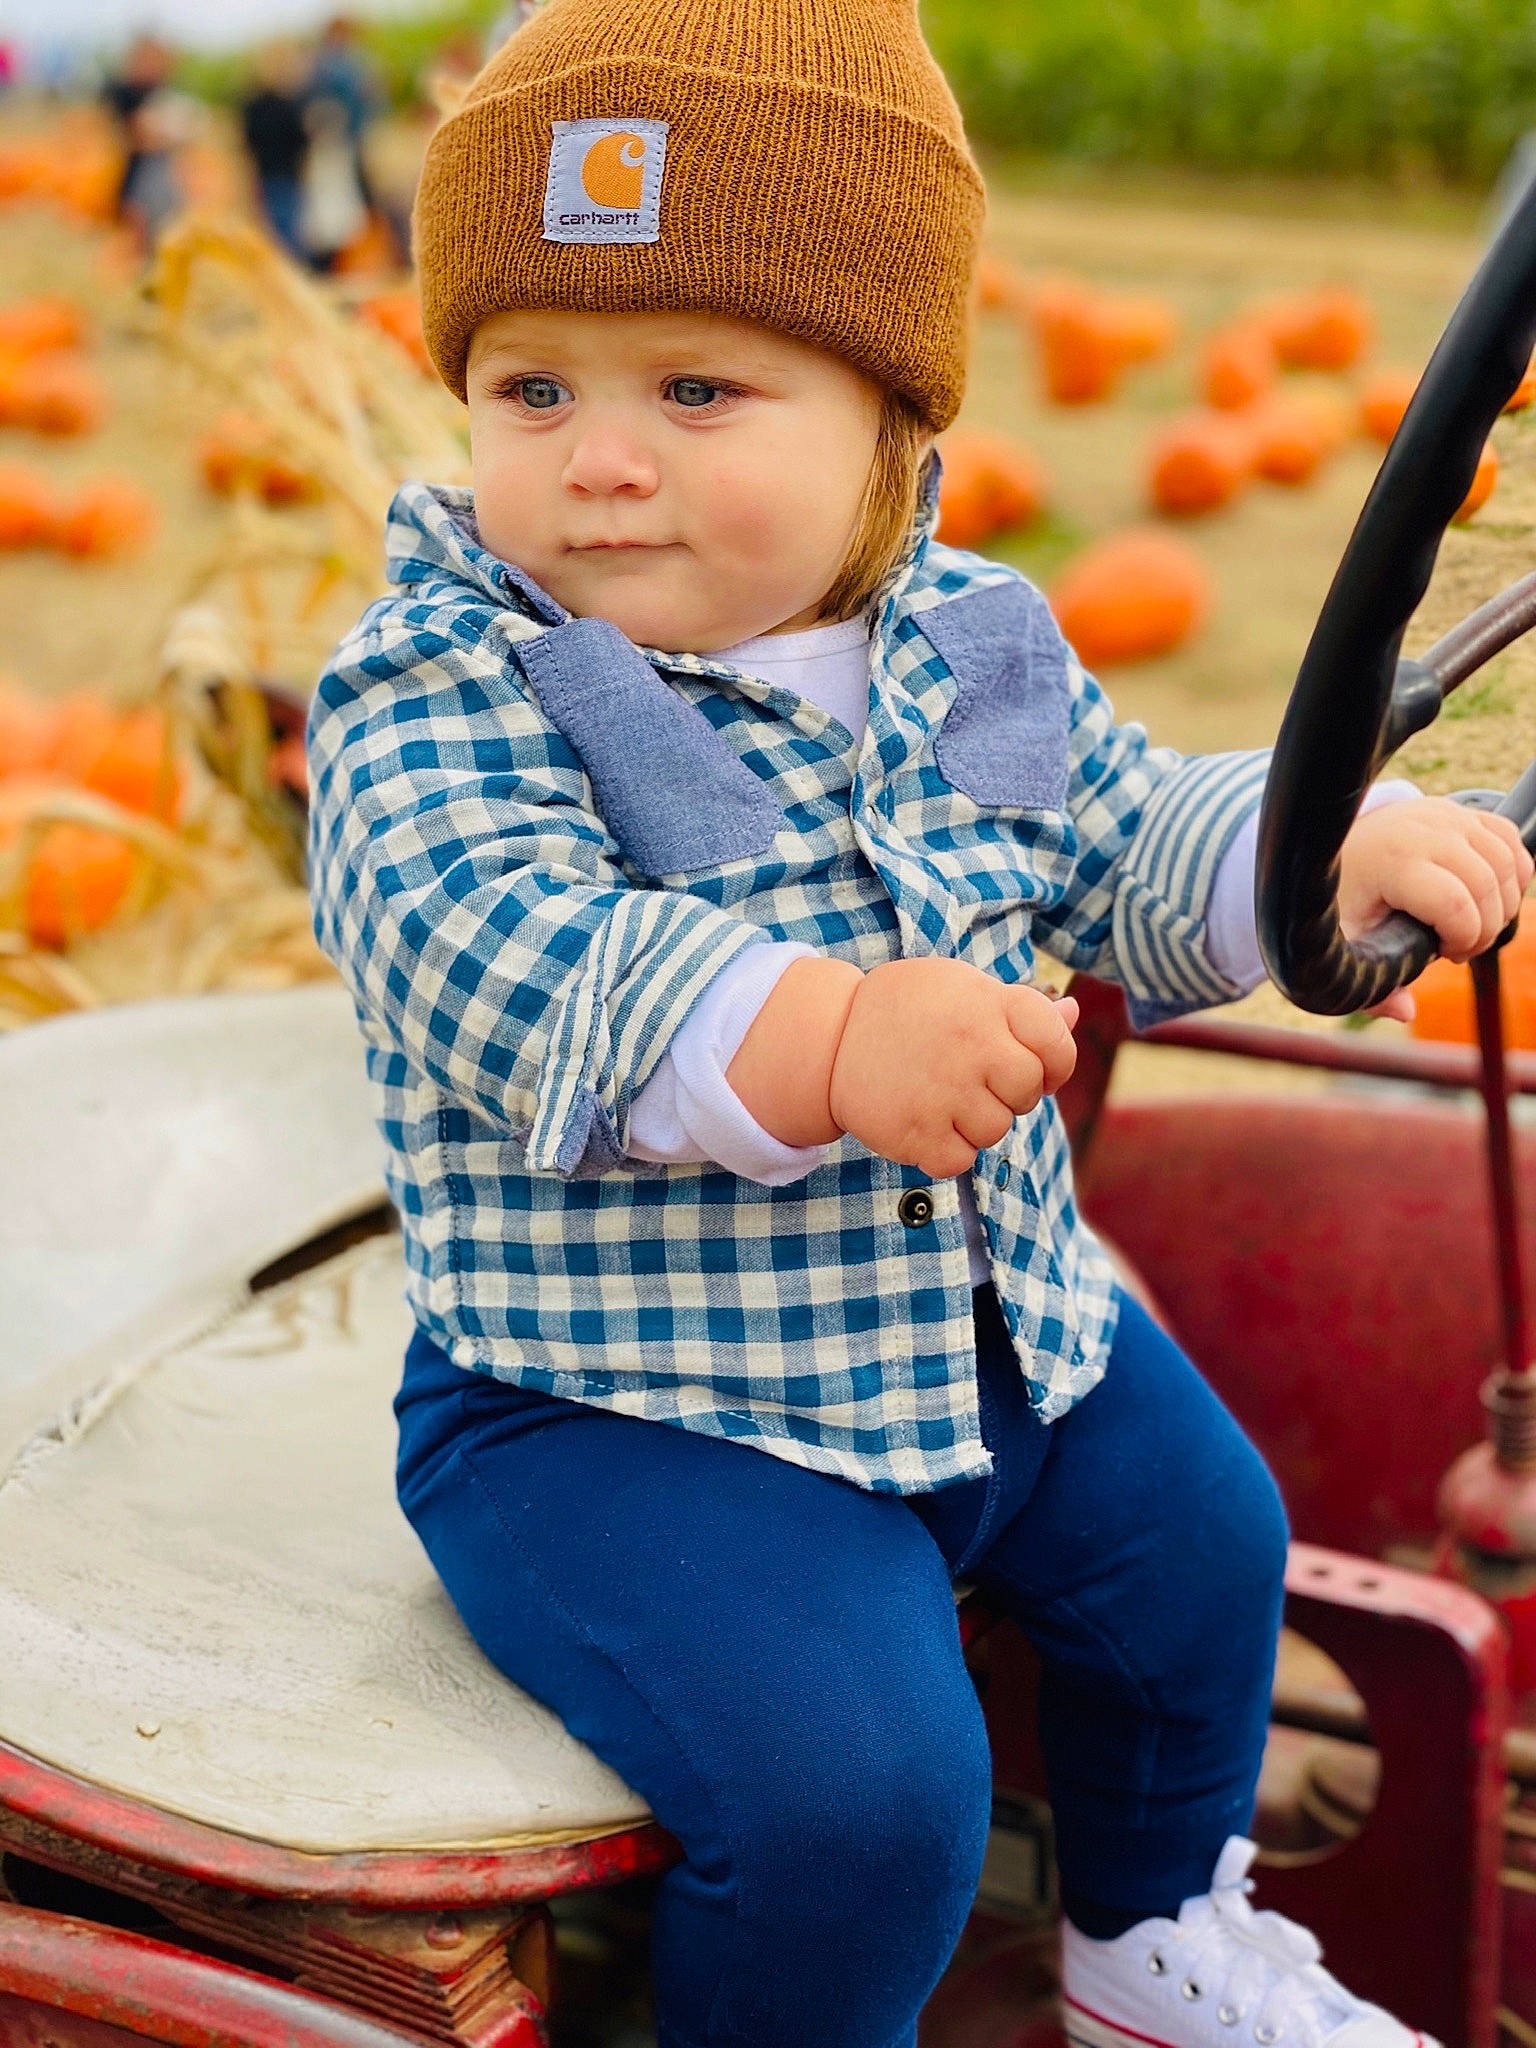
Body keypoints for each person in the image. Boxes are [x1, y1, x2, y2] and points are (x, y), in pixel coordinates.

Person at [307, 4, 1533, 2045]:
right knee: (864, 1797)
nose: (599, 456)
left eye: (696, 386)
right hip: (625, 1411)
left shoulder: (968, 637)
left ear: (885, 413)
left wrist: (1331, 850)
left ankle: (1157, 1933)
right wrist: (820, 1037)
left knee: (1210, 1542)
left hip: (989, 1329)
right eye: (532, 386)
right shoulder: (452, 680)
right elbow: (490, 944)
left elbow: (1128, 837)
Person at [241, 44, 310, 260]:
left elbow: (247, 143)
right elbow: (301, 142)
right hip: (286, 178)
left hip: (262, 178)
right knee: (289, 238)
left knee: (269, 235)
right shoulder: (290, 106)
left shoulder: (252, 106)